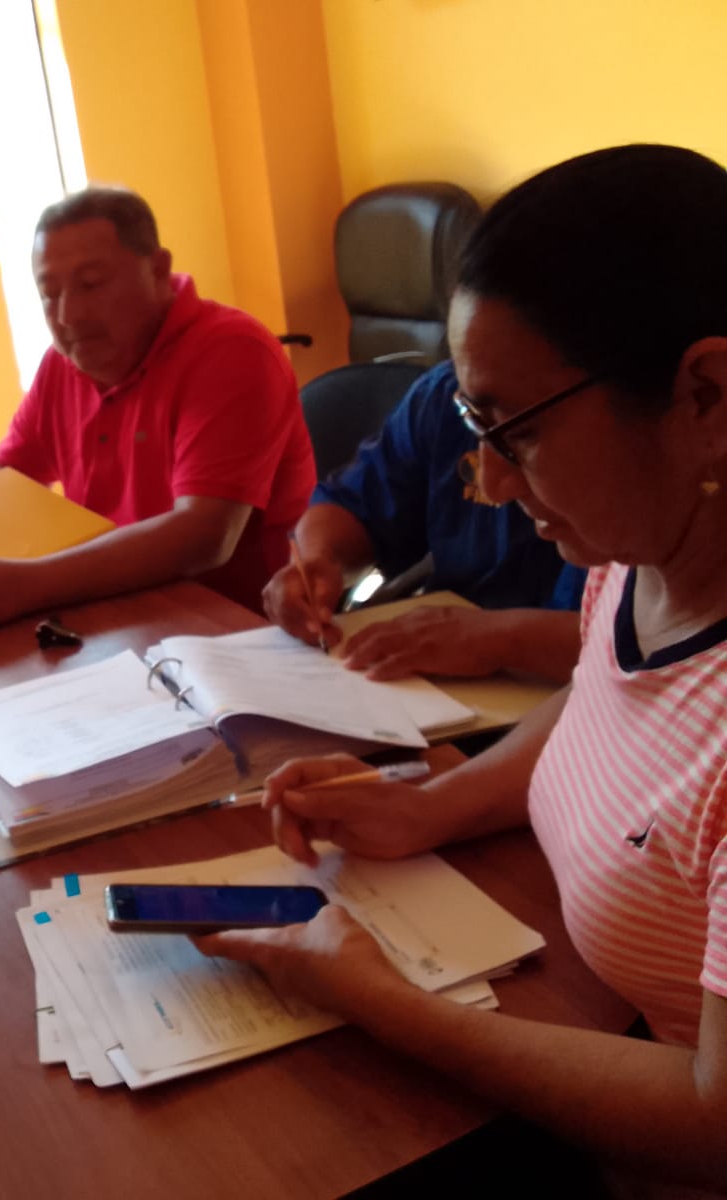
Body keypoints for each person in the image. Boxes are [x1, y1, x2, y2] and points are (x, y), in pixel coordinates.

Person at [198, 145, 727, 1193]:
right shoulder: (635, 557)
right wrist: (428, 806)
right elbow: (598, 702)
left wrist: (384, 1002)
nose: (487, 480)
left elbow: (715, 1124)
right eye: (472, 426)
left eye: (513, 432)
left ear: (706, 395)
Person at [0, 186, 316, 635]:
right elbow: (9, 476)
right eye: (49, 294)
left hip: (237, 629)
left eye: (91, 285)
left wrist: (26, 585)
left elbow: (203, 537)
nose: (69, 315)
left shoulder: (232, 352)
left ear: (158, 269)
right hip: (116, 614)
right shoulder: (63, 364)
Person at [263, 359, 585, 683]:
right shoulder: (445, 392)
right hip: (446, 669)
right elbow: (355, 503)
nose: (491, 484)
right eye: (473, 422)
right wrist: (319, 558)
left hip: (566, 686)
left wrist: (503, 640)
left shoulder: (599, 424)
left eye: (522, 437)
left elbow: (614, 639)